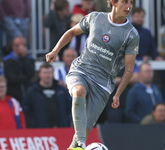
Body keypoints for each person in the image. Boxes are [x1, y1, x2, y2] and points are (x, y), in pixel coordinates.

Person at [46, 0, 139, 149]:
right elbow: (72, 32)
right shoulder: (95, 17)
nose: (129, 6)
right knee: (79, 91)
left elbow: (129, 69)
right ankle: (82, 143)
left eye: (131, 2)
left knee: (80, 135)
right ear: (113, 2)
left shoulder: (131, 34)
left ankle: (78, 145)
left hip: (103, 84)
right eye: (124, 2)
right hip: (81, 70)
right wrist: (55, 51)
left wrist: (117, 93)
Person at [23, 63, 72, 128]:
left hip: (61, 129)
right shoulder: (32, 91)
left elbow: (69, 108)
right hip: (40, 131)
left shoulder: (61, 90)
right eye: (45, 73)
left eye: (49, 72)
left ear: (53, 73)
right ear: (39, 74)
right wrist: (32, 125)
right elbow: (26, 111)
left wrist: (67, 122)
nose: (47, 75)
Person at [3, 36, 35, 103]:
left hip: (28, 94)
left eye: (23, 45)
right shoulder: (7, 60)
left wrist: (24, 57)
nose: (21, 48)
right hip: (13, 95)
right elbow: (11, 78)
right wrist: (26, 78)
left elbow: (31, 73)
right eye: (17, 45)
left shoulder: (29, 59)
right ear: (13, 46)